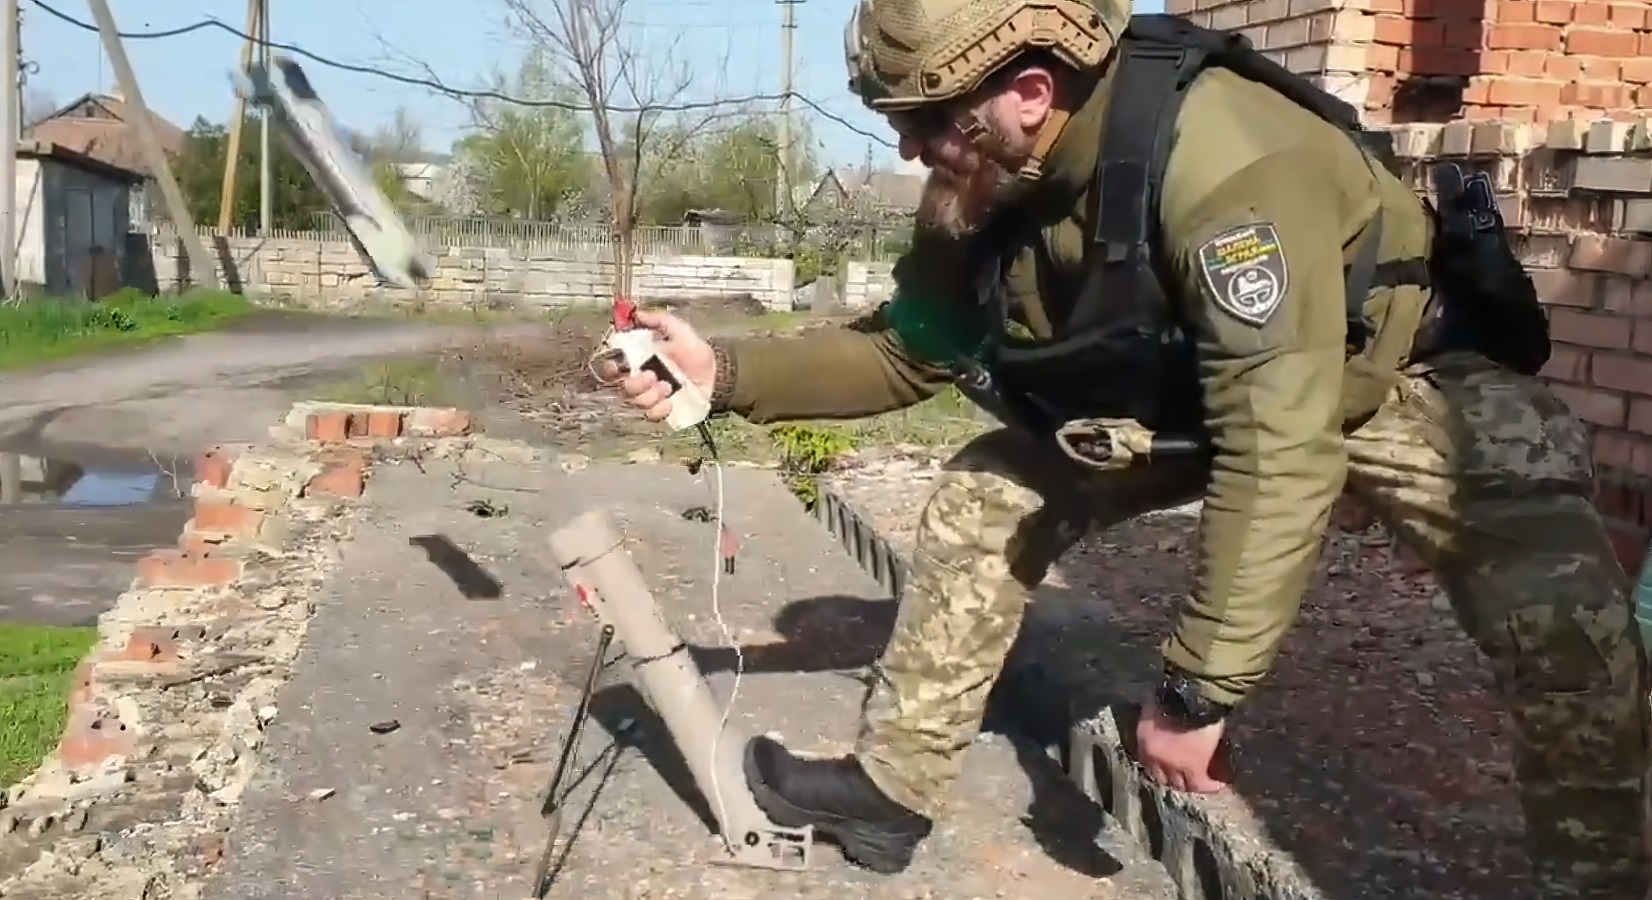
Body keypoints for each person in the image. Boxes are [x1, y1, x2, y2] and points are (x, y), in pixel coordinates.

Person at [597, 0, 1652, 894]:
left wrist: (1197, 692)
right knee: (987, 492)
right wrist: (724, 376)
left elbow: (1278, 443)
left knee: (1564, 617)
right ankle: (887, 794)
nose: (906, 149)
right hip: (1195, 389)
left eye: (925, 121)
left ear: (1027, 89)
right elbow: (906, 354)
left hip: (1388, 379)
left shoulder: (1225, 161)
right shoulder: (981, 181)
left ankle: (1597, 875)